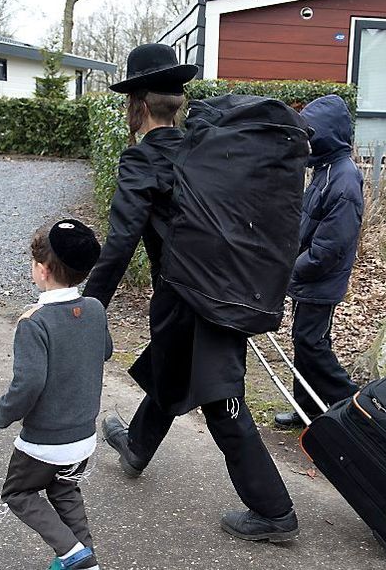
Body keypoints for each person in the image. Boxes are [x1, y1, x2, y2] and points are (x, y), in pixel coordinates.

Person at [84, 43, 299, 542]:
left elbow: (119, 244)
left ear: (136, 105)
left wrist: (88, 307)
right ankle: (136, 445)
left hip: (190, 298)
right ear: (178, 102)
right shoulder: (203, 153)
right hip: (222, 290)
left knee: (220, 398)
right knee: (171, 363)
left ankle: (274, 511)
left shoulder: (142, 161)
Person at [0, 219, 111, 570]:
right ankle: (87, 562)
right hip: (83, 438)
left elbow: (28, 386)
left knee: (18, 493)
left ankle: (71, 553)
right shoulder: (95, 308)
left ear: (41, 269)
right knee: (65, 490)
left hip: (45, 442)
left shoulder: (33, 321)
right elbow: (105, 350)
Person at [274, 94, 364, 429]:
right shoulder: (325, 171)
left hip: (321, 280)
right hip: (309, 278)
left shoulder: (343, 179)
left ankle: (355, 407)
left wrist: (289, 272)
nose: (306, 143)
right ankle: (307, 408)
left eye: (311, 135)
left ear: (327, 135)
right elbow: (306, 225)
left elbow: (329, 249)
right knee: (305, 340)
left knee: (312, 344)